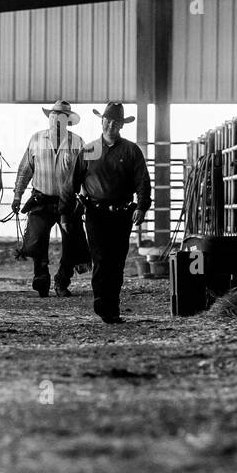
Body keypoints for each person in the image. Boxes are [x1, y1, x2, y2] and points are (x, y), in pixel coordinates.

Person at [64, 102, 151, 323]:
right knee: (101, 258)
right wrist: (66, 212)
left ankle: (112, 305)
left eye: (116, 122)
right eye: (108, 120)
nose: (111, 125)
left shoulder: (131, 151)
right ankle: (102, 303)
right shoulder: (89, 150)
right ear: (102, 121)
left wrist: (141, 207)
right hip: (95, 213)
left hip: (122, 214)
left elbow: (142, 181)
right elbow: (72, 182)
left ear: (122, 125)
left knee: (117, 261)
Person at [11, 101, 90, 297]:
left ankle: (63, 280)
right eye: (54, 116)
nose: (56, 120)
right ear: (49, 117)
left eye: (62, 117)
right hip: (41, 198)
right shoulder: (36, 139)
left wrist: (84, 197)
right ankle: (41, 276)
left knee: (72, 241)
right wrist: (17, 195)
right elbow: (25, 169)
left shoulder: (78, 143)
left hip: (68, 202)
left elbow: (86, 173)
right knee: (36, 238)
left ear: (68, 122)